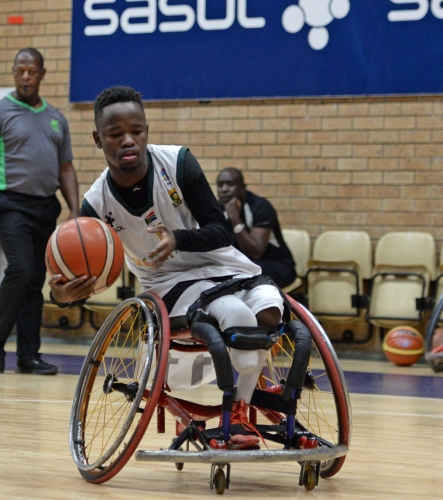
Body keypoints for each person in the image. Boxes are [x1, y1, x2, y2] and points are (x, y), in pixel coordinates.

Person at [49, 85, 285, 450]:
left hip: (223, 264)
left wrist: (178, 238)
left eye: (136, 131)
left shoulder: (178, 164)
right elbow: (75, 277)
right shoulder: (96, 204)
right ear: (98, 139)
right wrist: (61, 295)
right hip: (166, 281)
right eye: (115, 134)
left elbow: (222, 232)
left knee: (270, 311)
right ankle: (237, 412)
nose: (128, 140)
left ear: (146, 130)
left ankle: (247, 393)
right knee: (237, 314)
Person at [0, 48, 80, 375]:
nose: (26, 78)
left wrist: (75, 210)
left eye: (32, 72)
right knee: (20, 269)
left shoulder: (56, 118)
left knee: (35, 280)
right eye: (20, 71)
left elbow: (65, 168)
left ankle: (28, 357)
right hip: (11, 204)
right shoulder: (3, 110)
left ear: (42, 74)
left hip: (45, 207)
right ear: (14, 72)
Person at [216, 167, 297, 289]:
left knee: (239, 274)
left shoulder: (261, 207)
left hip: (275, 265)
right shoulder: (217, 209)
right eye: (220, 185)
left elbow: (255, 253)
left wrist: (236, 220)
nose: (224, 189)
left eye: (230, 184)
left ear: (243, 187)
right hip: (243, 264)